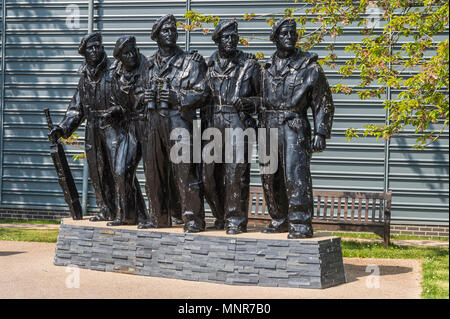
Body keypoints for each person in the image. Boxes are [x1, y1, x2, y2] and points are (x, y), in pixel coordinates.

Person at [259, 18, 334, 239]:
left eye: (293, 33)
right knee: (269, 175)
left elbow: (323, 101)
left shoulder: (309, 67)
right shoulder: (266, 68)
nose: (290, 37)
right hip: (269, 127)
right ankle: (279, 218)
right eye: (284, 34)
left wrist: (321, 132)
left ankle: (300, 222)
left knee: (295, 174)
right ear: (275, 38)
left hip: (294, 126)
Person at [138, 14, 208, 233]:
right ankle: (158, 217)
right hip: (152, 123)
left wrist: (176, 97)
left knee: (186, 171)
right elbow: (138, 94)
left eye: (173, 30)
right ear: (156, 36)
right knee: (153, 171)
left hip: (179, 122)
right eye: (165, 30)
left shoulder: (190, 62)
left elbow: (202, 92)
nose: (171, 34)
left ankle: (193, 219)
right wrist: (144, 97)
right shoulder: (148, 65)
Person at [48, 32, 118, 222]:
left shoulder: (115, 71)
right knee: (97, 171)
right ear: (84, 53)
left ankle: (126, 210)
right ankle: (105, 209)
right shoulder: (84, 79)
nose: (95, 50)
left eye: (98, 46)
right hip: (93, 129)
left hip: (114, 127)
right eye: (90, 48)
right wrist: (61, 129)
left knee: (118, 170)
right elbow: (75, 109)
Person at [202, 20, 260, 234]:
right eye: (226, 37)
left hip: (237, 121)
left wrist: (249, 103)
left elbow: (264, 100)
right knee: (208, 176)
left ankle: (235, 220)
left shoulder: (249, 65)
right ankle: (221, 215)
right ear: (217, 40)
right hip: (212, 121)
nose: (231, 40)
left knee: (236, 173)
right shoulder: (208, 65)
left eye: (233, 36)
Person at [103, 35, 149, 226]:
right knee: (121, 171)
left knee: (159, 173)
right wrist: (114, 111)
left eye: (133, 50)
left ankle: (164, 216)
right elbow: (119, 104)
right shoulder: (116, 76)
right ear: (120, 57)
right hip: (130, 127)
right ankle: (128, 215)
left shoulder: (149, 68)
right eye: (126, 53)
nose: (132, 55)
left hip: (150, 125)